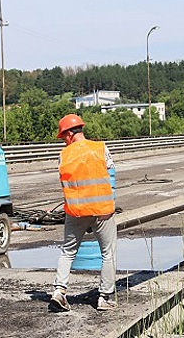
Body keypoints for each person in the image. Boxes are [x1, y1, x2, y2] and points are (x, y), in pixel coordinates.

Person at [49, 114, 118, 312]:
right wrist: (111, 206)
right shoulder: (100, 148)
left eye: (64, 137)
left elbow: (64, 181)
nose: (64, 141)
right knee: (108, 253)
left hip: (76, 211)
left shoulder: (64, 155)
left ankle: (59, 292)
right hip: (102, 210)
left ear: (70, 133)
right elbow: (111, 176)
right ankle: (104, 298)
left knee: (68, 252)